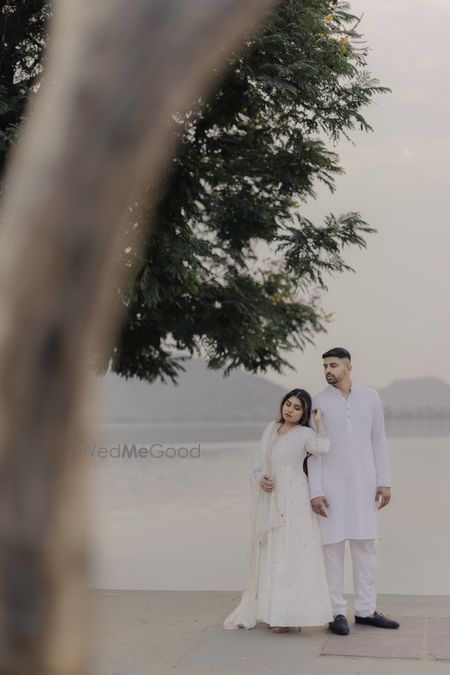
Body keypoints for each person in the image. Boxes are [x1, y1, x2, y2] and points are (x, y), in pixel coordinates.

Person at [223, 388, 333, 632]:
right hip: (273, 497)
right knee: (274, 552)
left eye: (297, 407)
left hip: (295, 498)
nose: (290, 410)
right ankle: (276, 612)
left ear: (304, 412)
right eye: (288, 404)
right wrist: (261, 478)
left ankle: (292, 616)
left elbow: (323, 448)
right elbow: (257, 463)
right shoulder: (271, 429)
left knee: (293, 553)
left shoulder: (305, 434)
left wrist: (318, 422)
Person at [307, 347, 400, 635]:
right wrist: (315, 490)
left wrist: (384, 481)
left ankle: (366, 610)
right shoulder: (318, 401)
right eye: (325, 366)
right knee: (331, 549)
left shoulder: (371, 397)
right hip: (330, 486)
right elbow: (315, 450)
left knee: (365, 548)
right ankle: (336, 612)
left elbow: (378, 441)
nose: (328, 370)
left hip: (365, 484)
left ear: (348, 368)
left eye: (333, 365)